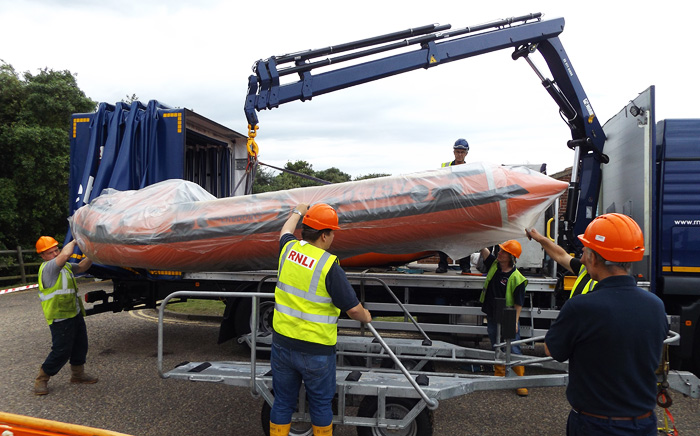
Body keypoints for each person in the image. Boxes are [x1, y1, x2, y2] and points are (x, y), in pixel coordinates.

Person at [544, 213, 668, 436]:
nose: (581, 257)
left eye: (585, 251)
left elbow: (552, 350)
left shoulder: (580, 307)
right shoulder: (656, 306)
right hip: (644, 424)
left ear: (594, 258)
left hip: (595, 425)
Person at [270, 203, 372, 436]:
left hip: (283, 344)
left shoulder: (288, 250)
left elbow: (285, 230)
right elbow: (354, 310)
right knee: (321, 404)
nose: (333, 237)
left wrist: (297, 211)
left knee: (283, 402)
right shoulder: (328, 265)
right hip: (315, 350)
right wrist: (367, 316)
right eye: (333, 232)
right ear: (324, 235)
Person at [34, 237, 97, 395]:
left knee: (80, 345)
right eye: (50, 252)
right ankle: (42, 379)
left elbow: (82, 267)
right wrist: (76, 240)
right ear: (43, 256)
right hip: (59, 317)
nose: (55, 254)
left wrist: (93, 254)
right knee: (61, 350)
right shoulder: (49, 268)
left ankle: (78, 375)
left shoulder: (66, 267)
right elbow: (64, 256)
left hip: (73, 313)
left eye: (56, 249)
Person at [479, 240, 529, 396]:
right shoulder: (494, 265)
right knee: (496, 343)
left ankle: (519, 381)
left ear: (510, 257)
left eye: (503, 252)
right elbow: (484, 252)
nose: (499, 253)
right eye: (500, 251)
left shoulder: (517, 278)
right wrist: (477, 239)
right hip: (493, 312)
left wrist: (515, 321)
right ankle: (499, 375)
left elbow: (519, 303)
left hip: (508, 315)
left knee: (513, 346)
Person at [526, 228, 596, 299]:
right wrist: (539, 238)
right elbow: (560, 255)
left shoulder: (601, 287)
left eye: (584, 252)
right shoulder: (584, 268)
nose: (581, 259)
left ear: (592, 257)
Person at [436, 138, 471, 273]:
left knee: (465, 238)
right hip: (447, 207)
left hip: (463, 208)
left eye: (462, 152)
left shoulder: (470, 169)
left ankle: (465, 266)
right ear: (454, 152)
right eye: (457, 151)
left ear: (466, 153)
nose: (460, 154)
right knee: (444, 236)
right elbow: (438, 183)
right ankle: (442, 264)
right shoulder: (445, 166)